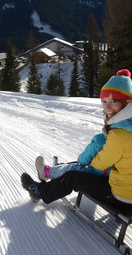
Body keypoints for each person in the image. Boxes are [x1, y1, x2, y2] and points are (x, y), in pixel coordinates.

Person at [21, 69, 132, 211]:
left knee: (73, 176)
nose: (107, 107)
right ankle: (50, 172)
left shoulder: (120, 134)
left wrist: (90, 163)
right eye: (104, 101)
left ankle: (40, 192)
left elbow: (100, 163)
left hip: (123, 199)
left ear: (127, 102)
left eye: (114, 101)